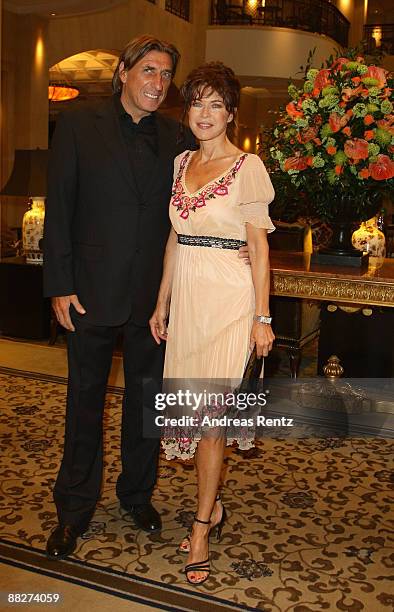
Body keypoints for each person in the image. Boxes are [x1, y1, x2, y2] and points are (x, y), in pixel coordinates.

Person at [43, 35, 197, 560]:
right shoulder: (80, 124)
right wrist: (58, 283)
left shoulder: (179, 138)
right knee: (83, 404)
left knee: (146, 403)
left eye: (166, 75)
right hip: (87, 291)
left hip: (152, 299)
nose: (158, 84)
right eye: (149, 71)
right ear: (125, 72)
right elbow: (59, 207)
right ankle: (73, 509)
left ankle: (136, 495)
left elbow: (187, 221)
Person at [149, 62, 275, 585]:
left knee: (212, 419)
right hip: (189, 303)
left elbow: (259, 246)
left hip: (230, 300)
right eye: (197, 102)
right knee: (193, 414)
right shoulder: (181, 163)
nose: (204, 113)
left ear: (231, 113)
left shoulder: (248, 167)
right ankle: (214, 508)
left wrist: (262, 317)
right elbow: (176, 237)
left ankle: (201, 525)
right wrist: (162, 304)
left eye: (215, 104)